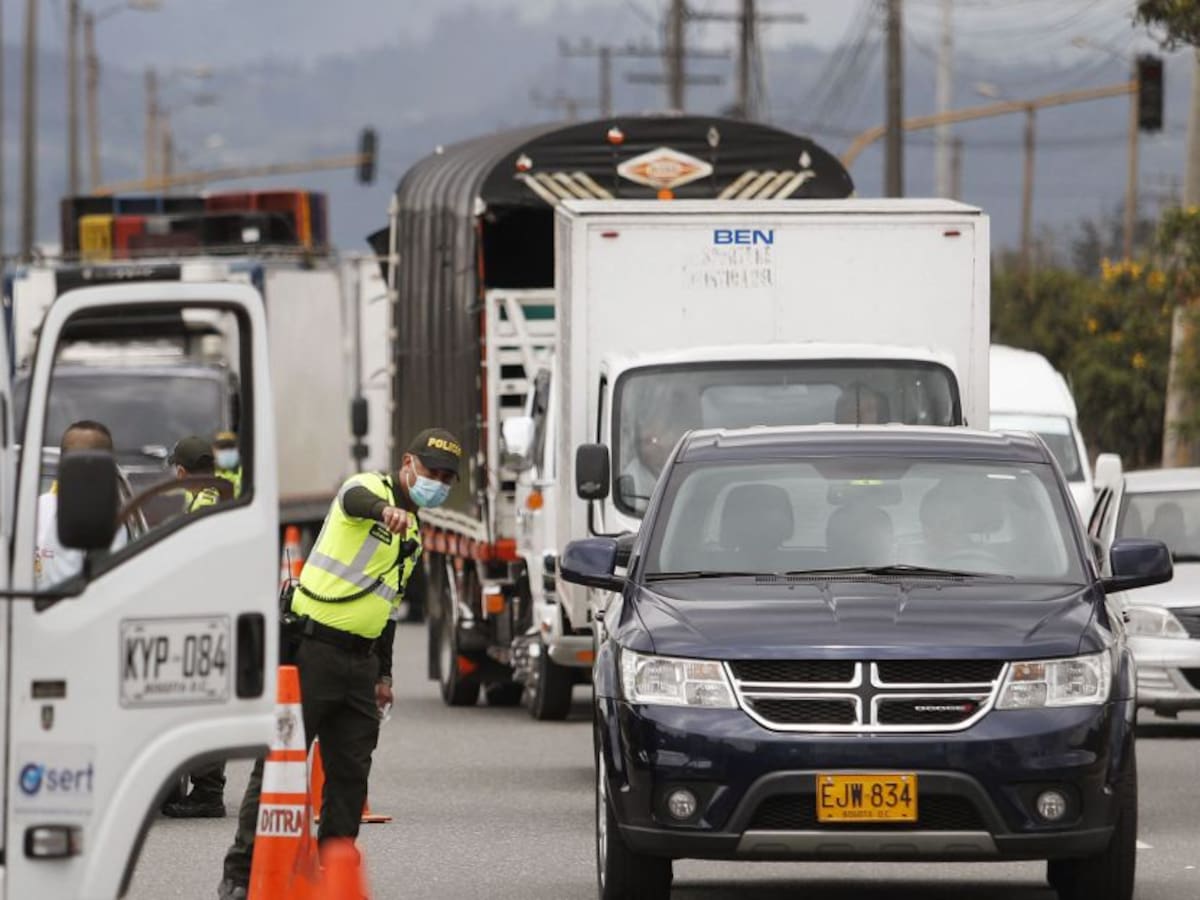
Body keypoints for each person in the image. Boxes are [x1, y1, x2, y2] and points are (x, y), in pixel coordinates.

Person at [217, 428, 461, 900]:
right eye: (433, 472)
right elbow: (352, 500)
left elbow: (387, 609)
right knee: (278, 768)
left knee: (350, 775)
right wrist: (384, 511)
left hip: (361, 666)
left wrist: (385, 676)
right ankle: (241, 874)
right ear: (408, 463)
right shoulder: (372, 489)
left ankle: (334, 873)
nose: (439, 482)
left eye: (447, 478)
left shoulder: (415, 535)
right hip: (314, 653)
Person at [160, 435, 230, 818]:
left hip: (206, 619)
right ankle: (204, 788)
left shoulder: (200, 506)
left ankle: (207, 793)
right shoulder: (228, 496)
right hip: (226, 614)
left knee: (201, 705)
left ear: (182, 473)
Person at [35, 420, 127, 589]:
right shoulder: (36, 508)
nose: (73, 465)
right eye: (67, 455)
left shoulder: (112, 521)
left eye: (84, 458)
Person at [213, 431, 243, 499]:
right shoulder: (209, 476)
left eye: (230, 447)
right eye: (222, 448)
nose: (227, 451)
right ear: (214, 450)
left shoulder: (247, 475)